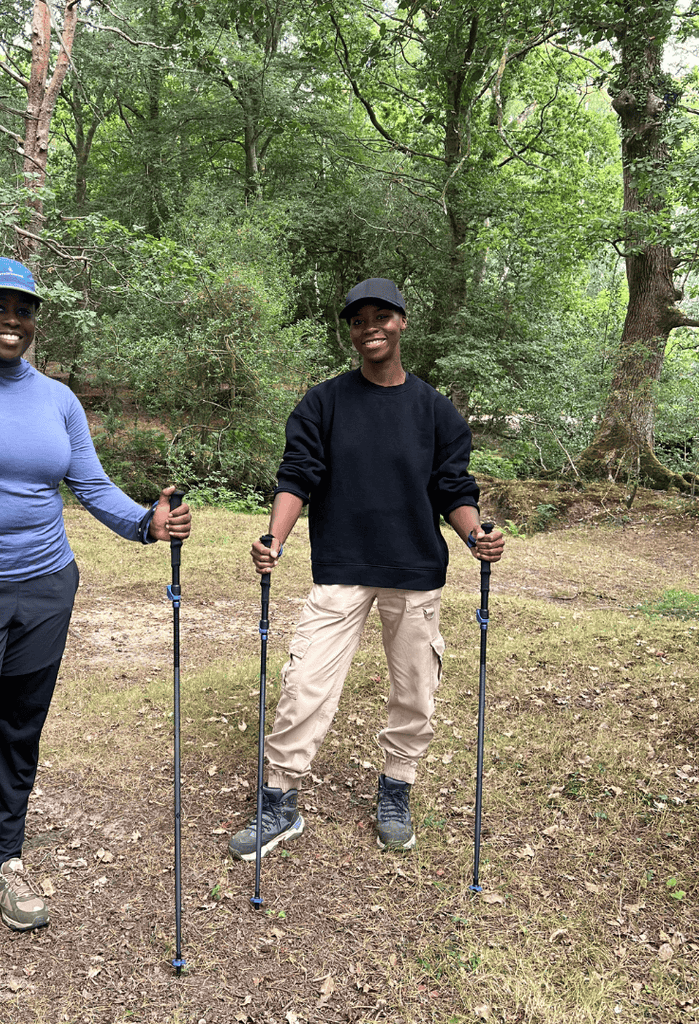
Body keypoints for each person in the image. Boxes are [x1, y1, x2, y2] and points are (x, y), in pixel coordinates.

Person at [0, 257, 192, 973]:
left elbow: (90, 483)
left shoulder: (57, 398)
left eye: (23, 309)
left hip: (46, 585)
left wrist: (146, 524)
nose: (11, 319)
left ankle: (6, 861)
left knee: (18, 729)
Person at [227, 277, 503, 861]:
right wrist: (274, 539)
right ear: (351, 333)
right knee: (304, 685)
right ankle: (279, 801)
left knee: (415, 691)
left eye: (381, 316)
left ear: (402, 322)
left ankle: (396, 790)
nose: (370, 327)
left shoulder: (436, 411)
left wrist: (475, 535)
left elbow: (452, 487)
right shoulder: (323, 403)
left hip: (415, 569)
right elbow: (297, 475)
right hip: (341, 566)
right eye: (358, 320)